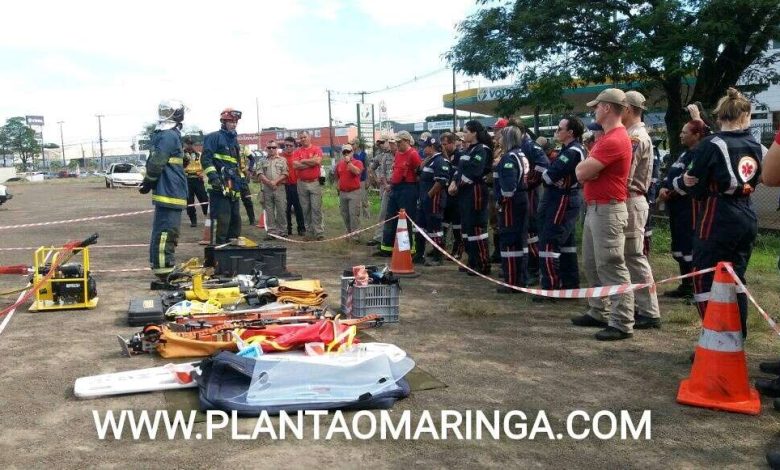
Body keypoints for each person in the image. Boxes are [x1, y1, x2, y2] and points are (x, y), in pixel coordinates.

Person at [682, 87, 762, 339]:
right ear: (745, 115)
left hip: (717, 214)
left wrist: (687, 181)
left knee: (705, 277)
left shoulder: (711, 144)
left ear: (719, 117)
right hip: (747, 211)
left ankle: (715, 339)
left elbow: (693, 180)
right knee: (736, 277)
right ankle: (737, 337)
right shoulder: (755, 143)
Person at [571, 88, 635, 341]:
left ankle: (621, 321)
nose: (594, 110)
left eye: (596, 107)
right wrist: (587, 169)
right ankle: (598, 310)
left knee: (611, 264)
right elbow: (584, 170)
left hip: (607, 209)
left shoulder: (614, 139)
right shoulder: (608, 138)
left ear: (607, 108)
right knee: (592, 263)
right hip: (597, 207)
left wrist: (587, 169)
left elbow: (581, 173)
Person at [621, 90, 661, 329]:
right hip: (630, 199)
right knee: (628, 257)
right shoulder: (631, 134)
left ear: (627, 109)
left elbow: (626, 174)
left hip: (631, 199)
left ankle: (649, 310)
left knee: (634, 256)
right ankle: (640, 306)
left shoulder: (635, 137)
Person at [657, 116, 707, 299]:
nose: (681, 135)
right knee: (679, 246)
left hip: (690, 208)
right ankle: (686, 285)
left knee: (690, 247)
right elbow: (671, 173)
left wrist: (671, 192)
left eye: (685, 132)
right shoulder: (684, 153)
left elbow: (691, 179)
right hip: (676, 209)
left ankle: (696, 288)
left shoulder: (699, 155)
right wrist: (663, 187)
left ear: (696, 135)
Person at [537, 115, 585, 297]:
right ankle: (570, 283)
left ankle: (550, 287)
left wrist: (550, 177)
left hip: (563, 199)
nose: (556, 132)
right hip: (563, 198)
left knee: (550, 241)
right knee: (566, 243)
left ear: (570, 132)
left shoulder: (572, 152)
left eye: (559, 129)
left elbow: (550, 176)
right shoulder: (568, 150)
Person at [139, 99, 187, 280]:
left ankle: (163, 266)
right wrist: (149, 181)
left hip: (170, 191)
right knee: (167, 232)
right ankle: (164, 270)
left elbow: (164, 160)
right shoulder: (169, 135)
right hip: (170, 192)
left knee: (165, 230)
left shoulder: (166, 134)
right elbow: (157, 161)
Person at [448, 120, 492, 275]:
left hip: (476, 193)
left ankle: (483, 264)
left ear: (474, 133)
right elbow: (459, 170)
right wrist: (453, 181)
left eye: (466, 131)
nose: (464, 134)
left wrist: (457, 184)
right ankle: (472, 261)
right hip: (464, 193)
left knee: (477, 229)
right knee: (466, 228)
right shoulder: (468, 150)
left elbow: (475, 172)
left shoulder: (482, 149)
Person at [494, 125, 529, 292]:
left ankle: (512, 281)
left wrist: (500, 201)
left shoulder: (509, 158)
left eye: (501, 137)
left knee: (509, 241)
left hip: (511, 203)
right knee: (519, 239)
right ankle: (521, 278)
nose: (498, 139)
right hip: (521, 200)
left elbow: (508, 187)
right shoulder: (521, 154)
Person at [202, 108, 243, 245]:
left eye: (235, 122)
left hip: (233, 186)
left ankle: (231, 254)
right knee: (222, 221)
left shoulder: (234, 140)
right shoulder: (214, 137)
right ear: (223, 122)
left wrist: (241, 181)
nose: (234, 124)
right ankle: (216, 252)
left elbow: (235, 164)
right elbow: (206, 160)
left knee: (235, 220)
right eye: (231, 121)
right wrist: (214, 178)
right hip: (219, 187)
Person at [378, 131, 421, 256]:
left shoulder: (413, 154)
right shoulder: (397, 154)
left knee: (406, 220)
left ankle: (407, 249)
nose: (397, 144)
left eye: (399, 142)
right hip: (395, 188)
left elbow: (418, 173)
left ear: (407, 141)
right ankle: (387, 248)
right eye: (396, 142)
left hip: (407, 189)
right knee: (390, 217)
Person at [519, 123, 549, 285]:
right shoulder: (518, 145)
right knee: (526, 229)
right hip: (523, 193)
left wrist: (530, 181)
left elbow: (543, 164)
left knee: (531, 230)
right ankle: (527, 267)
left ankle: (534, 269)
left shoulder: (530, 145)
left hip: (531, 193)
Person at [415, 136, 450, 266]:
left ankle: (437, 257)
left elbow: (441, 181)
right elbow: (418, 173)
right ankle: (419, 255)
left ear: (432, 147)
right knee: (420, 228)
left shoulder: (440, 161)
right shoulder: (429, 160)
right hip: (424, 200)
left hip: (434, 201)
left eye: (425, 146)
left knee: (435, 229)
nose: (423, 148)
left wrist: (428, 196)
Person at [293, 131, 325, 240]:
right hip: (302, 183)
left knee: (316, 208)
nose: (302, 139)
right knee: (305, 209)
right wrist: (310, 163)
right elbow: (295, 165)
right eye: (301, 138)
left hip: (315, 183)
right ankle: (309, 232)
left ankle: (319, 232)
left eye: (304, 137)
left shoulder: (317, 149)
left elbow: (317, 161)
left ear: (309, 137)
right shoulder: (297, 151)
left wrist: (304, 160)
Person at [257, 140, 288, 238]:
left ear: (277, 148)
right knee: (269, 210)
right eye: (269, 147)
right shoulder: (262, 160)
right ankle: (271, 232)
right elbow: (260, 173)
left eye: (273, 147)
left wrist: (275, 182)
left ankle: (282, 231)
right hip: (267, 189)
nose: (271, 149)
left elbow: (285, 173)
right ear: (266, 149)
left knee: (281, 210)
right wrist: (269, 183)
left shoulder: (282, 160)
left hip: (279, 188)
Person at [441, 132, 464, 258]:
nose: (443, 146)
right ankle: (441, 249)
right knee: (444, 222)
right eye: (442, 144)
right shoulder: (443, 157)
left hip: (456, 196)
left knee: (457, 224)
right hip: (446, 195)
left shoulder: (460, 156)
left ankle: (458, 250)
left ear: (452, 143)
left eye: (445, 144)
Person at [367, 136, 394, 246]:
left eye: (383, 142)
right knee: (383, 213)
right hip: (385, 186)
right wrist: (375, 178)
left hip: (396, 186)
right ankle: (379, 237)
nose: (381, 145)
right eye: (379, 144)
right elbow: (371, 168)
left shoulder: (398, 153)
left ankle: (390, 238)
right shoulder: (380, 156)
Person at [334, 144, 364, 240]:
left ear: (352, 152)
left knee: (353, 214)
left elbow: (357, 172)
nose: (346, 154)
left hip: (354, 192)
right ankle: (349, 232)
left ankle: (355, 236)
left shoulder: (358, 162)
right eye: (344, 152)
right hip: (343, 192)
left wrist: (349, 163)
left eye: (348, 152)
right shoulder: (339, 164)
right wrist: (338, 186)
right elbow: (337, 176)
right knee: (344, 213)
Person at [182, 135, 208, 228]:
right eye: (188, 144)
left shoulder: (199, 154)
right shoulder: (181, 155)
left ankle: (208, 217)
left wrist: (203, 175)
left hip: (198, 179)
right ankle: (193, 220)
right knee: (189, 201)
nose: (189, 146)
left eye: (191, 144)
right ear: (184, 144)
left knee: (204, 199)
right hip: (187, 180)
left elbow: (206, 165)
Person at [281, 136, 305, 236]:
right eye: (286, 145)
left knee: (298, 208)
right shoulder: (280, 156)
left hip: (296, 185)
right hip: (284, 185)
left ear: (294, 146)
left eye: (290, 145)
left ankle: (301, 229)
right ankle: (288, 229)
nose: (288, 147)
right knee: (285, 208)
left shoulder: (298, 155)